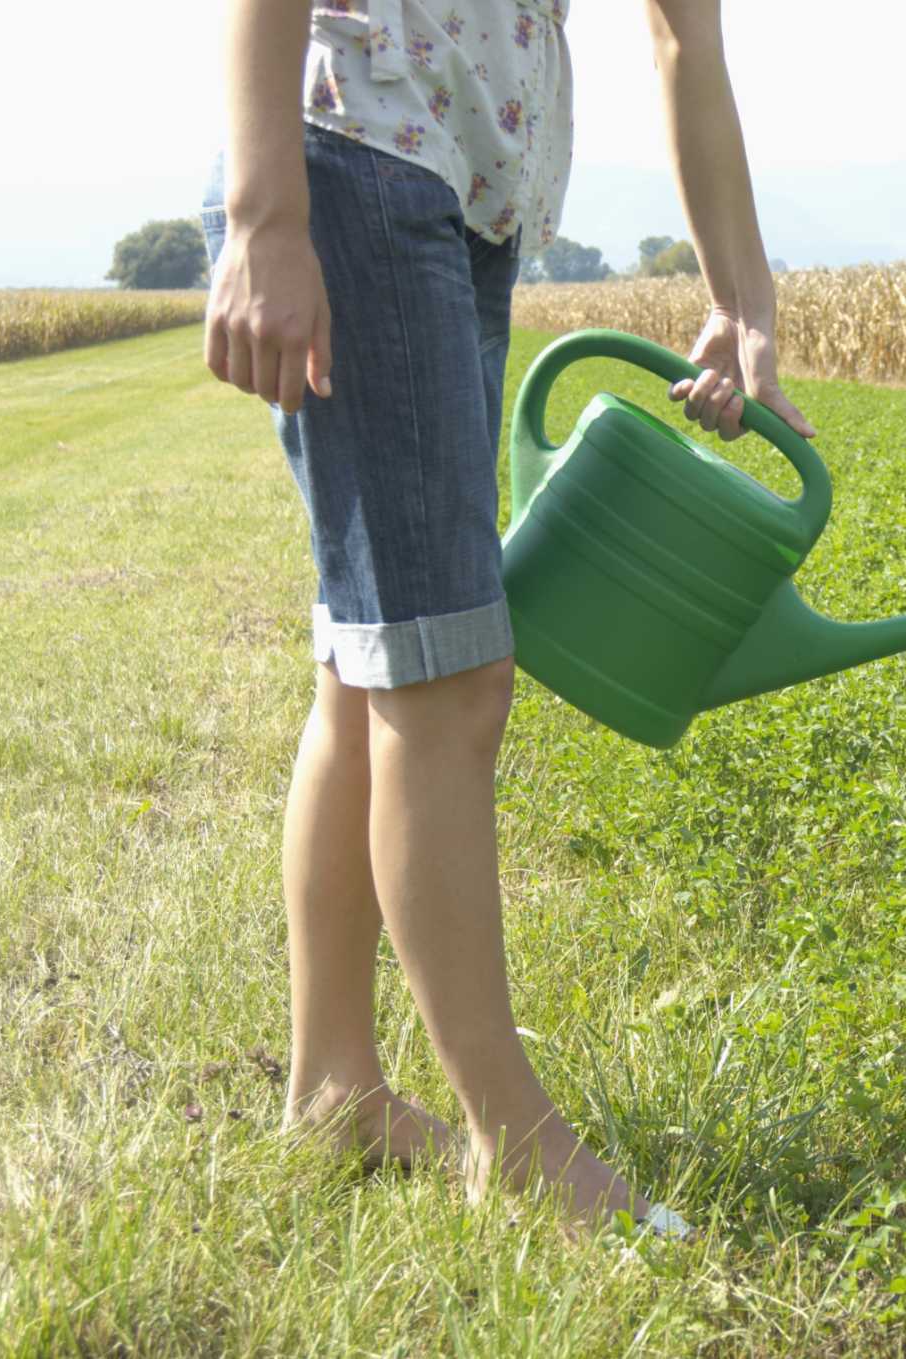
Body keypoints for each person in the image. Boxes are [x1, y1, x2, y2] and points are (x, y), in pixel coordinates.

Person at [200, 0, 812, 1237]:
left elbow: (685, 36)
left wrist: (743, 299)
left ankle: (334, 1087)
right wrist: (268, 214)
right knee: (447, 681)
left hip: (460, 194)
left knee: (370, 669)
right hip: (352, 158)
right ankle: (512, 1142)